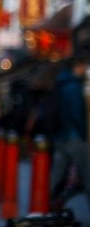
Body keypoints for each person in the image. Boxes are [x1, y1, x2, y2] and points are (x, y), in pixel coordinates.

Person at [49, 53, 90, 212]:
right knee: (87, 174)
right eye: (85, 66)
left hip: (60, 136)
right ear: (78, 66)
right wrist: (84, 134)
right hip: (74, 137)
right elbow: (77, 114)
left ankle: (45, 205)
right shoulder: (73, 87)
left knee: (57, 175)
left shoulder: (61, 83)